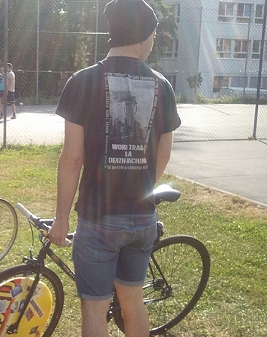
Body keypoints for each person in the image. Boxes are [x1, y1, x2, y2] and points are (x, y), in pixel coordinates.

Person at [48, 1, 181, 336]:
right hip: (142, 216)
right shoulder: (162, 86)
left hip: (98, 217)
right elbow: (164, 152)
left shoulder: (82, 81)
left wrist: (62, 217)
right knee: (132, 300)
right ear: (146, 36)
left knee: (94, 307)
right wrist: (141, 183)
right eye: (152, 37)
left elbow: (72, 157)